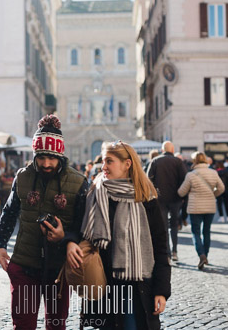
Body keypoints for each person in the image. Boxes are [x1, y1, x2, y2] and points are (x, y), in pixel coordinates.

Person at [0, 114, 90, 329]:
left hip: (58, 269)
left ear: (60, 156)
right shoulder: (23, 176)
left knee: (56, 325)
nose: (46, 163)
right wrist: (0, 245)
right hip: (25, 266)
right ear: (35, 154)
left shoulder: (78, 182)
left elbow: (85, 225)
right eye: (41, 157)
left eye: (52, 158)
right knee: (24, 325)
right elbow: (9, 212)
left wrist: (67, 238)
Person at [79, 141, 170, 329]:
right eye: (103, 161)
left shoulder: (147, 198)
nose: (103, 167)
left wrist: (161, 290)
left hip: (139, 287)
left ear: (127, 164)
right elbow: (81, 234)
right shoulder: (96, 194)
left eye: (109, 161)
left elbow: (160, 247)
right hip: (105, 287)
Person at [179, 152, 225, 270]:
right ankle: (206, 255)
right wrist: (213, 195)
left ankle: (201, 254)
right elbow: (221, 188)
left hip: (195, 208)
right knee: (207, 231)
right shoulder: (213, 173)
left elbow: (181, 192)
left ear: (194, 161)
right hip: (210, 206)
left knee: (196, 232)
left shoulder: (191, 175)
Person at [146, 141, 188, 263]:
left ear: (162, 149)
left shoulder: (155, 161)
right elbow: (184, 179)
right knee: (174, 226)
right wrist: (182, 195)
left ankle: (167, 255)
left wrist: (154, 194)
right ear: (173, 149)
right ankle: (175, 252)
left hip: (160, 199)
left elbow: (148, 180)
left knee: (163, 227)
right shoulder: (178, 161)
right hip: (176, 199)